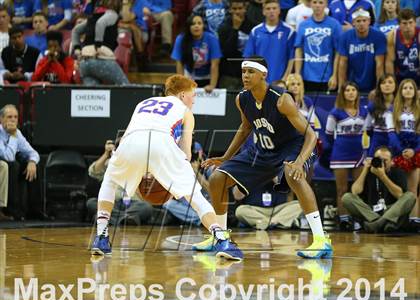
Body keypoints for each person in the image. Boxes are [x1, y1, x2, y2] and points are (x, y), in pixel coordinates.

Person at [91, 74, 243, 261]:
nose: (194, 99)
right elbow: (186, 153)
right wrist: (171, 174)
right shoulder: (185, 111)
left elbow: (131, 134)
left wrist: (146, 168)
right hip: (161, 143)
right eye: (192, 94)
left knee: (110, 180)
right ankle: (221, 239)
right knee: (194, 194)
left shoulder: (143, 103)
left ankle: (101, 237)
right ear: (181, 95)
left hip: (129, 143)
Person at [199, 57, 332, 259]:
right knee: (218, 178)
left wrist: (298, 161)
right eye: (244, 72)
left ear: (264, 74)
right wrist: (225, 157)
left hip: (292, 147)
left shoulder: (281, 99)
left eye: (251, 71)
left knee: (292, 174)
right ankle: (220, 237)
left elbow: (311, 135)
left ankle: (321, 240)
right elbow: (245, 128)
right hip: (263, 150)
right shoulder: (242, 98)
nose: (245, 76)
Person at [325, 81, 368, 230]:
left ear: (357, 92)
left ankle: (358, 219)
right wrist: (340, 144)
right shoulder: (335, 112)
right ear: (342, 93)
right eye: (347, 90)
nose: (350, 92)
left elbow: (368, 132)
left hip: (358, 153)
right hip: (340, 153)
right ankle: (343, 220)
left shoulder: (364, 111)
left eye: (353, 89)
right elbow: (329, 134)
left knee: (357, 189)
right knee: (341, 190)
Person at [342, 146, 416, 233]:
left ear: (392, 161)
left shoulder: (397, 172)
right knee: (347, 197)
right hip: (371, 212)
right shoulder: (369, 171)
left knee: (410, 196)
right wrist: (365, 169)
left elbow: (399, 195)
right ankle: (385, 223)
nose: (382, 163)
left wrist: (382, 176)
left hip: (391, 210)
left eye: (385, 160)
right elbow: (355, 191)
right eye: (379, 159)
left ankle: (378, 224)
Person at [86, 139, 155, 226]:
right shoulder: (110, 163)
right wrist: (106, 154)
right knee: (91, 202)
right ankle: (124, 219)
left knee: (146, 207)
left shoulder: (139, 164)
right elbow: (93, 172)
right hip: (112, 203)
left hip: (133, 204)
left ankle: (109, 219)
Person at [0, 104, 39, 220]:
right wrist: (12, 136)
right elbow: (8, 157)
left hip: (7, 163)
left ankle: (34, 210)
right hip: (4, 163)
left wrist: (32, 161)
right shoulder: (10, 133)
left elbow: (33, 152)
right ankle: (11, 210)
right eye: (9, 117)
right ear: (1, 119)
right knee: (13, 165)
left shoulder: (17, 132)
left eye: (15, 117)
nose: (13, 120)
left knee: (32, 166)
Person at [294, 0, 342, 92]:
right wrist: (297, 74)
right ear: (310, 4)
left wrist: (335, 75)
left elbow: (338, 52)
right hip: (307, 76)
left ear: (326, 4)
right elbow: (299, 49)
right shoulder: (303, 25)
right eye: (315, 2)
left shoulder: (334, 24)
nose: (317, 5)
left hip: (327, 77)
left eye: (321, 2)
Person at [243, 0, 295, 84]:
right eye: (268, 8)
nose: (271, 11)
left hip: (280, 82)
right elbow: (248, 58)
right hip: (259, 82)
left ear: (279, 10)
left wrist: (284, 79)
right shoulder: (255, 31)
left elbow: (291, 59)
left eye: (274, 8)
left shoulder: (289, 31)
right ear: (263, 11)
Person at [337, 8, 387, 93]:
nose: (362, 24)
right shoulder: (345, 37)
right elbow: (342, 63)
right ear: (353, 22)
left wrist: (378, 89)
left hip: (372, 82)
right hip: (352, 84)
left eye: (364, 20)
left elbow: (380, 65)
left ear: (369, 21)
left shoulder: (379, 36)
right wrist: (341, 88)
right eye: (358, 21)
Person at [390, 78, 419, 218]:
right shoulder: (393, 109)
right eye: (405, 88)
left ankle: (414, 220)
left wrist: (414, 150)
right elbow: (391, 133)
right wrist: (401, 150)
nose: (408, 90)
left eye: (411, 88)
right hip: (398, 151)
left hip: (416, 152)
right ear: (400, 91)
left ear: (415, 92)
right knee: (400, 190)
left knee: (413, 189)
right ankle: (399, 220)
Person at [171, 14, 222, 92]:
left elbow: (215, 64)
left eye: (199, 23)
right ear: (188, 27)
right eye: (193, 24)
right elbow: (179, 63)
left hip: (208, 76)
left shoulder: (212, 38)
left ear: (203, 26)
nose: (196, 26)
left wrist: (212, 85)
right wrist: (182, 84)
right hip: (189, 75)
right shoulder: (181, 39)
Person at [234, 181, 303, 230]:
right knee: (240, 210)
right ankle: (277, 223)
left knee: (300, 204)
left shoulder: (279, 166)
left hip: (279, 210)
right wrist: (248, 177)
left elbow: (287, 188)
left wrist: (273, 173)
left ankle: (267, 223)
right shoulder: (248, 169)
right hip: (255, 211)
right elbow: (237, 196)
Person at [217, 0, 253, 90]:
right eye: (234, 9)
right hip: (228, 75)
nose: (237, 11)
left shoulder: (252, 27)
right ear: (230, 10)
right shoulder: (223, 27)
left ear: (245, 9)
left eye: (240, 8)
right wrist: (235, 29)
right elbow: (226, 52)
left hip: (248, 74)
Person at [365, 74, 397, 157]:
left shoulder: (400, 105)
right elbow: (368, 129)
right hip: (377, 143)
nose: (387, 85)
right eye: (383, 83)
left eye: (390, 82)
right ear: (379, 86)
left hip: (396, 143)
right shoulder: (372, 106)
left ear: (395, 85)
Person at [385, 9, 420, 85]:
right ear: (399, 24)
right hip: (399, 79)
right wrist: (392, 84)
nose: (408, 26)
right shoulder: (392, 35)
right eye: (404, 23)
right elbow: (389, 62)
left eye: (410, 23)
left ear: (415, 23)